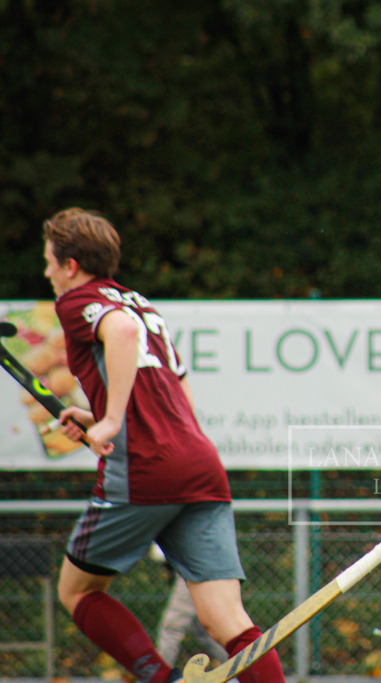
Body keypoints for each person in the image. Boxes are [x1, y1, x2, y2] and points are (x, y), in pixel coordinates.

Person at [43, 208, 285, 683]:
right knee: (227, 621)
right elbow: (173, 392)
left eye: (49, 261)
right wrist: (97, 414)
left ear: (71, 265)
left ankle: (159, 678)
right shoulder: (140, 302)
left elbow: (121, 333)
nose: (46, 271)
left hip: (146, 468)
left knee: (78, 590)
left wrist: (111, 420)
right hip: (198, 461)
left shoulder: (78, 302)